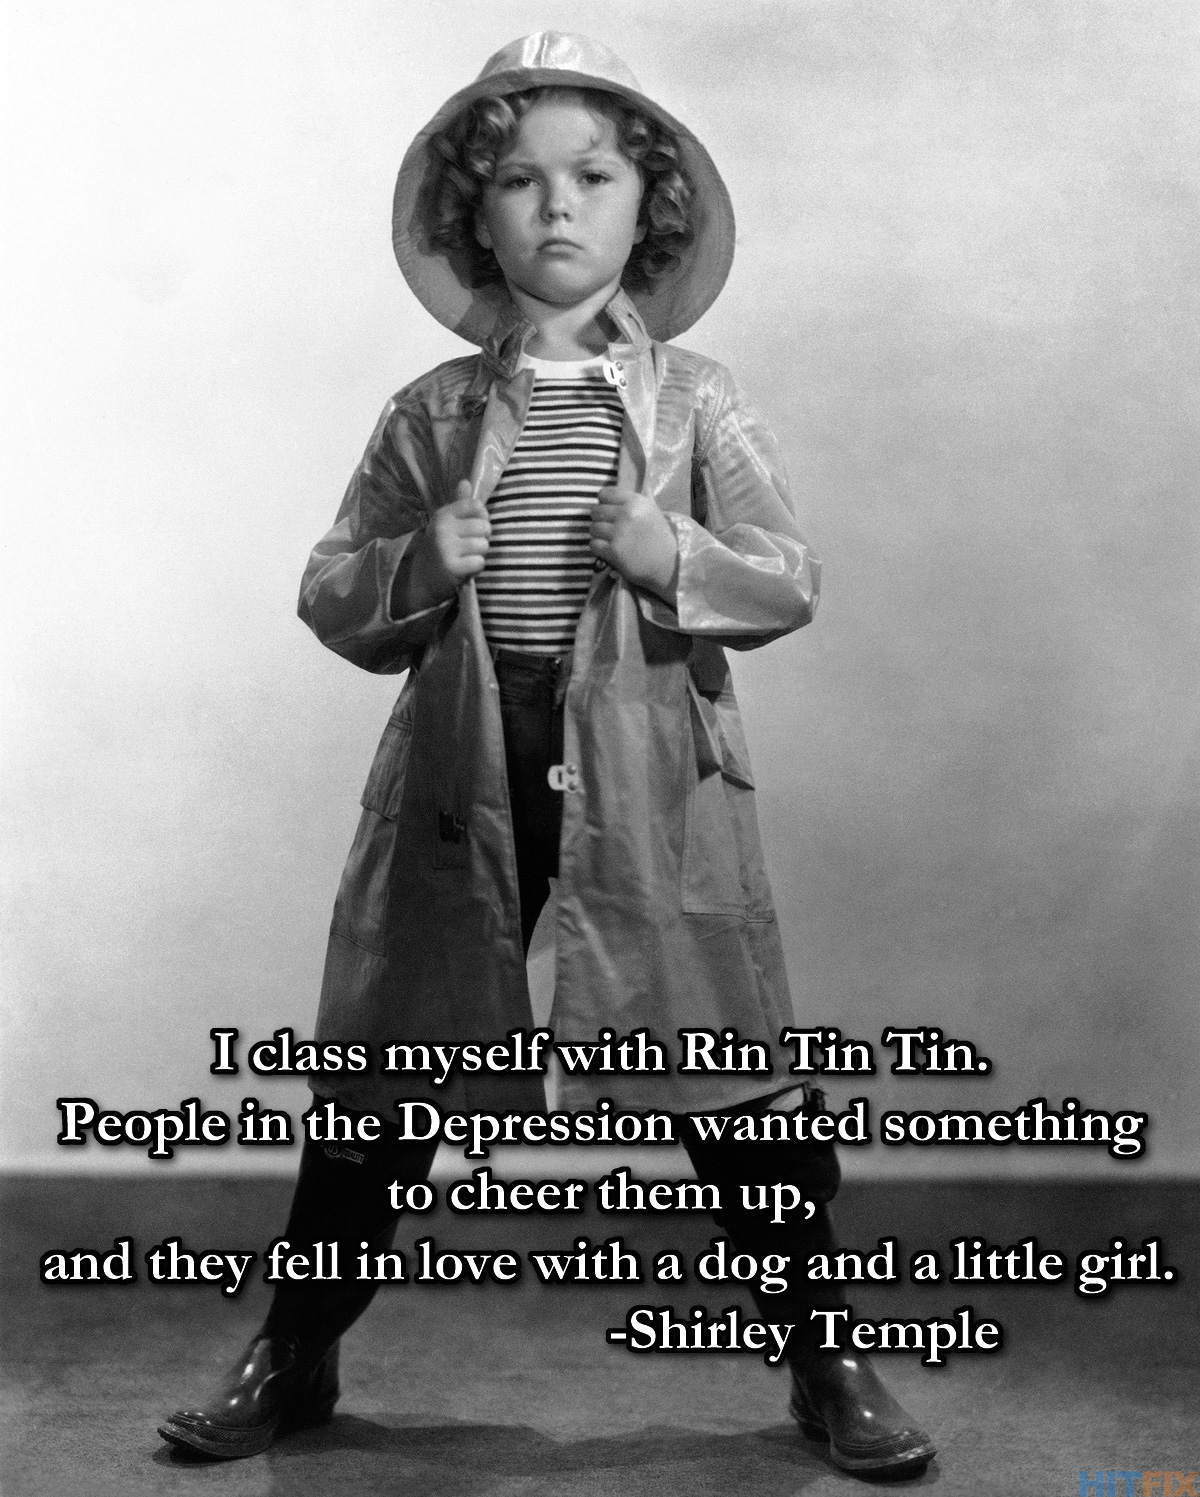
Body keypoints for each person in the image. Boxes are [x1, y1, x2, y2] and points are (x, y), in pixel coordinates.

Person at [158, 32, 936, 1478]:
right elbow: (332, 591)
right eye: (519, 180)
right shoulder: (432, 411)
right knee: (390, 1068)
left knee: (725, 1064)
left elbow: (788, 577)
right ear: (478, 213)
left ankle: (828, 1353)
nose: (558, 204)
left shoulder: (699, 402)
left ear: (653, 210)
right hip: (466, 771)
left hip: (647, 776)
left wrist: (673, 552)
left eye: (593, 176)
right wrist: (416, 561)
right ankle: (294, 1348)